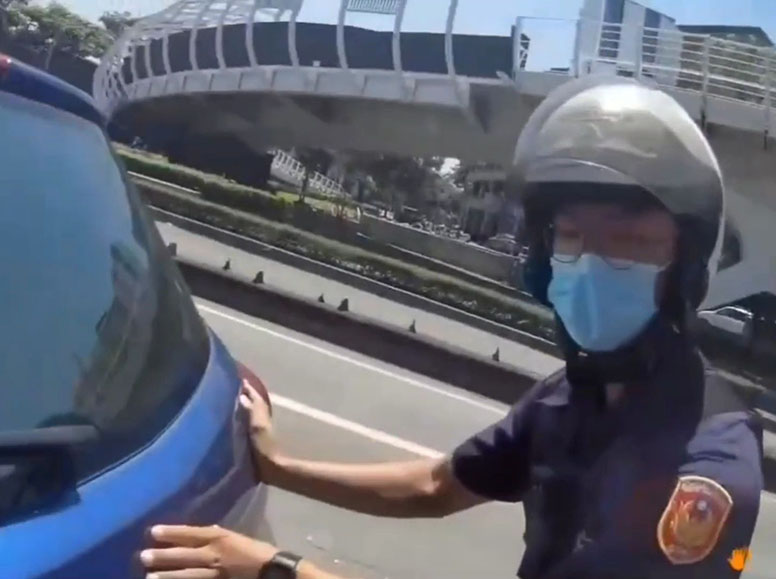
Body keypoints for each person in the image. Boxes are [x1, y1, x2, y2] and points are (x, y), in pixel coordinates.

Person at [140, 76, 763, 579]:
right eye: (573, 237)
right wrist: (278, 466)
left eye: (628, 243)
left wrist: (277, 569)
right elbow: (437, 485)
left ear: (685, 268)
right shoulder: (570, 397)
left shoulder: (707, 465)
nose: (592, 264)